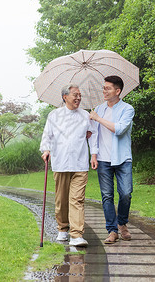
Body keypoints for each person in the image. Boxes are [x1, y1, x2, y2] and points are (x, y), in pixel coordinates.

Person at [40, 84, 97, 247]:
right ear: (65, 97)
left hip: (80, 163)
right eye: (75, 95)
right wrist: (45, 150)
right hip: (60, 163)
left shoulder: (86, 115)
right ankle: (63, 229)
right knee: (61, 200)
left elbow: (92, 135)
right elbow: (47, 136)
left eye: (80, 95)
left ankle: (77, 235)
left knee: (77, 200)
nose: (78, 98)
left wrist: (94, 154)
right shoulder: (54, 115)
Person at [89, 75, 135, 244]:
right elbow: (94, 134)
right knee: (107, 196)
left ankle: (122, 223)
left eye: (108, 88)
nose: (104, 91)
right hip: (103, 159)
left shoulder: (127, 109)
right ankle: (112, 230)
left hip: (122, 158)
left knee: (125, 194)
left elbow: (120, 129)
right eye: (103, 88)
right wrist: (93, 155)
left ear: (118, 91)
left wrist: (97, 118)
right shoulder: (98, 108)